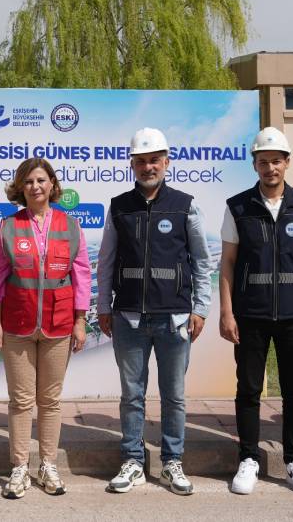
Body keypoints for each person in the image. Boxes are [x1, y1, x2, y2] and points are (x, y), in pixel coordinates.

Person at [96, 128, 215, 496]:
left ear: (166, 162)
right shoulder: (119, 206)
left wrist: (201, 308)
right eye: (141, 160)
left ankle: (171, 462)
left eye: (154, 160)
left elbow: (201, 262)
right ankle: (133, 460)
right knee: (131, 394)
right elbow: (106, 262)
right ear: (132, 164)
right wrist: (103, 306)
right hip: (128, 317)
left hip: (175, 318)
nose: (148, 166)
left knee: (174, 396)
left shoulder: (186, 205)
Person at [217, 126, 293, 497]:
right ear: (255, 164)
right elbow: (228, 264)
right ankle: (248, 458)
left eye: (276, 161)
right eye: (263, 161)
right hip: (250, 315)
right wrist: (227, 312)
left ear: (287, 163)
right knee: (248, 389)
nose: (270, 168)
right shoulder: (238, 206)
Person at [0, 157, 91, 499]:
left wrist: (80, 321)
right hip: (17, 324)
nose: (35, 186)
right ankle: (19, 468)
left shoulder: (70, 225)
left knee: (49, 400)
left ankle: (48, 465)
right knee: (21, 401)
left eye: (41, 180)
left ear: (52, 185)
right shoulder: (8, 226)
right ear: (21, 188)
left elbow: (81, 276)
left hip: (59, 323)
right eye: (28, 181)